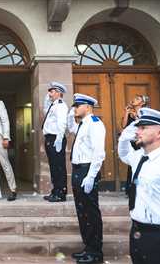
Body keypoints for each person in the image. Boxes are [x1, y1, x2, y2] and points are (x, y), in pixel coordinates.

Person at [118, 107, 160, 264]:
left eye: (143, 127)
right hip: (137, 233)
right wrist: (126, 134)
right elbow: (124, 153)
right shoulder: (139, 156)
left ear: (159, 133)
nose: (137, 131)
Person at [67, 93, 106, 264]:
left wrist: (91, 176)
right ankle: (88, 247)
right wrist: (71, 115)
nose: (75, 108)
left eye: (77, 106)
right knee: (82, 211)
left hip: (86, 170)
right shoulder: (83, 124)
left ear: (88, 107)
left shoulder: (95, 124)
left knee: (90, 212)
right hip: (77, 170)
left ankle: (96, 252)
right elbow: (70, 129)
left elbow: (99, 153)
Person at [42, 82, 68, 202]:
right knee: (53, 166)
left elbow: (62, 124)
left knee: (58, 167)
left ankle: (60, 193)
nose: (49, 94)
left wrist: (58, 139)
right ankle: (55, 191)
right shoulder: (53, 105)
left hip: (56, 138)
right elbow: (45, 110)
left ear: (58, 93)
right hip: (50, 138)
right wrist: (48, 98)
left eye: (51, 92)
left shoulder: (61, 106)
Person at [120, 94, 149, 194]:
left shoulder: (144, 112)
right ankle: (131, 189)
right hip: (131, 142)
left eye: (137, 99)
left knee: (140, 162)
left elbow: (144, 125)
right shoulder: (130, 112)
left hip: (140, 141)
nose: (134, 100)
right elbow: (124, 126)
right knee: (131, 163)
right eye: (134, 98)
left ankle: (141, 186)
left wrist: (136, 116)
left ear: (143, 103)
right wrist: (126, 113)